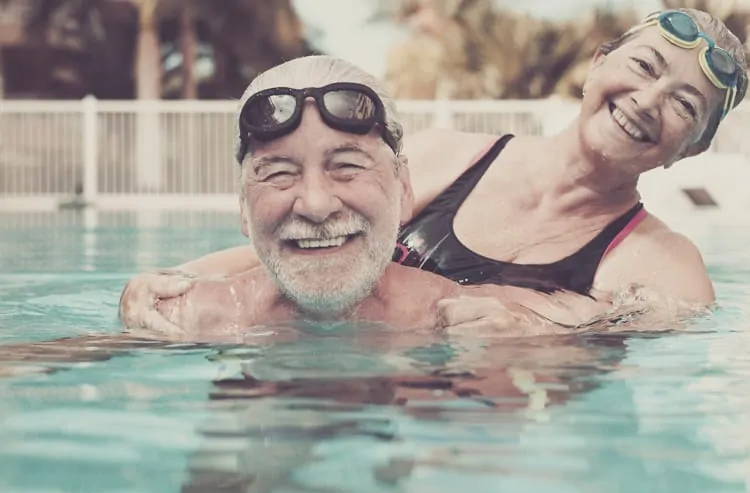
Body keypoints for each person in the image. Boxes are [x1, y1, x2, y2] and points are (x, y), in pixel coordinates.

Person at [119, 8, 746, 334]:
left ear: (689, 149)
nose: (648, 100)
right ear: (596, 65)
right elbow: (314, 239)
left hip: (477, 426)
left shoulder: (669, 265)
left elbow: (648, 350)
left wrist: (551, 324)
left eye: (685, 105)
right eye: (643, 67)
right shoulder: (452, 157)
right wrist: (174, 279)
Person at [121, 55, 613, 337]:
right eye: (278, 173)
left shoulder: (464, 315)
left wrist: (539, 338)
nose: (315, 204)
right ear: (243, 211)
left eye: (347, 167)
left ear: (402, 189)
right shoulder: (184, 320)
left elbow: (626, 320)